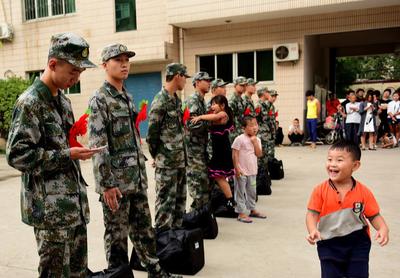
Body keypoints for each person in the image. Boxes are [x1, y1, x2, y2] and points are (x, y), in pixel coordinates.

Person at [6, 32, 96, 277]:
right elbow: (18, 155)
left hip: (73, 207)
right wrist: (68, 155)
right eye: (73, 71)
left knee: (78, 272)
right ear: (53, 64)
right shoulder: (30, 103)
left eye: (80, 73)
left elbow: (64, 144)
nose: (76, 78)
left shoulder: (64, 102)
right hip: (50, 212)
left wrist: (77, 152)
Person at [88, 44, 177, 277]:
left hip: (135, 178)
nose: (124, 63)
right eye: (118, 59)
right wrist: (106, 184)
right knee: (117, 236)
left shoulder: (127, 96)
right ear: (105, 65)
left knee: (144, 229)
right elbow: (98, 145)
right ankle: (118, 274)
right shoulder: (100, 99)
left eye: (127, 59)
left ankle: (155, 271)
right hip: (116, 184)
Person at [306, 140, 389, 278]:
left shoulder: (363, 191)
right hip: (328, 242)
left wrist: (383, 228)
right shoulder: (319, 190)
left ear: (355, 165)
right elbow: (312, 214)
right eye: (329, 159)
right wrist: (313, 229)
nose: (332, 164)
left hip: (357, 243)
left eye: (339, 160)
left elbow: (373, 215)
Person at [147, 63, 189, 232]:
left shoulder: (176, 99)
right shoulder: (160, 101)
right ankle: (164, 244)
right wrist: (158, 156)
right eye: (185, 76)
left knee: (179, 205)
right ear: (177, 75)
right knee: (165, 206)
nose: (185, 80)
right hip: (166, 165)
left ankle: (177, 242)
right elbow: (152, 135)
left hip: (179, 162)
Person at [191, 95, 236, 210]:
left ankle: (230, 200)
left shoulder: (223, 114)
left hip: (222, 150)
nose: (212, 106)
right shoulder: (215, 115)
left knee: (219, 177)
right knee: (216, 176)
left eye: (215, 104)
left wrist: (200, 116)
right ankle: (225, 199)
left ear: (223, 105)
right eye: (211, 104)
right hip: (217, 150)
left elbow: (214, 116)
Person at [185, 71, 213, 211]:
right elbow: (191, 124)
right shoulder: (193, 100)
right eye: (206, 80)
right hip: (193, 149)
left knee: (205, 182)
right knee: (197, 182)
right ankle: (195, 214)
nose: (209, 83)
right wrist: (211, 121)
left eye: (209, 81)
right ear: (196, 82)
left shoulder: (202, 101)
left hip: (202, 147)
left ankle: (202, 213)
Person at [232, 116, 266, 223]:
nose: (254, 127)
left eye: (256, 125)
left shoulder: (257, 139)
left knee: (252, 191)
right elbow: (235, 154)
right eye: (251, 125)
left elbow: (259, 154)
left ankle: (252, 209)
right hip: (241, 171)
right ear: (244, 128)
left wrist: (255, 142)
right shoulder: (239, 139)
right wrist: (237, 168)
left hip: (252, 171)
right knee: (240, 192)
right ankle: (241, 213)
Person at [255, 87, 272, 195]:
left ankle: (263, 180)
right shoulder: (258, 105)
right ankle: (259, 182)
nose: (268, 94)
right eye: (267, 92)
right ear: (262, 94)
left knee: (265, 158)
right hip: (261, 134)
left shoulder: (265, 104)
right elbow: (255, 120)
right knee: (260, 159)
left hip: (266, 134)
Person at [229, 76, 247, 142]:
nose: (244, 87)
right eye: (241, 85)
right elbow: (230, 118)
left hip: (241, 131)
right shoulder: (232, 100)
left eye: (245, 85)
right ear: (235, 85)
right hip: (234, 133)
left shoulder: (241, 100)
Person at [265, 90, 279, 158]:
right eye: (272, 96)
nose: (274, 98)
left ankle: (271, 165)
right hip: (266, 132)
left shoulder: (272, 106)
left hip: (272, 131)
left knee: (271, 150)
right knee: (266, 151)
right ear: (268, 96)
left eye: (275, 96)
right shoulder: (265, 105)